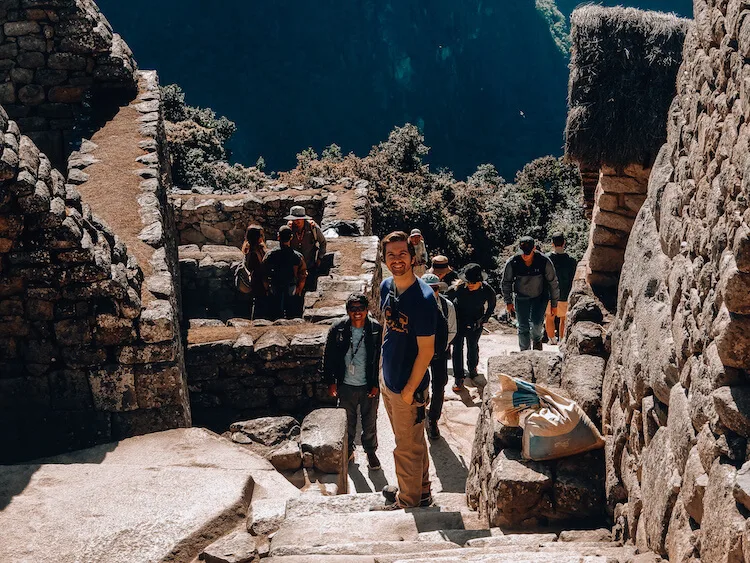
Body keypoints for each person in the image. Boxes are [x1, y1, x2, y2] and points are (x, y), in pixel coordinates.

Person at [376, 231, 436, 510]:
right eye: (391, 255)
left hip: (407, 385)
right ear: (384, 259)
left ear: (413, 258)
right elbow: (388, 327)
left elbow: (427, 351)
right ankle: (421, 490)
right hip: (389, 380)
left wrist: (410, 389)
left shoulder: (423, 299)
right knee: (413, 440)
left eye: (402, 254)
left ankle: (408, 502)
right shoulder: (386, 286)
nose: (397, 259)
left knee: (405, 446)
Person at [324, 293, 383, 470]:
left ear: (367, 310)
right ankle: (348, 450)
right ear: (348, 310)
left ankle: (370, 452)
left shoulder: (375, 329)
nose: (357, 312)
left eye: (361, 309)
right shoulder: (338, 328)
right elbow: (329, 357)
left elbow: (380, 358)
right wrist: (331, 382)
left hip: (367, 384)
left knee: (370, 421)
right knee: (347, 421)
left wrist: (376, 384)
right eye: (353, 309)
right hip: (346, 384)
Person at [502, 236, 560, 351]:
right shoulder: (513, 262)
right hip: (521, 298)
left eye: (528, 253)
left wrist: (554, 304)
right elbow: (506, 282)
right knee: (523, 327)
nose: (525, 255)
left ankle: (537, 341)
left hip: (539, 297)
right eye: (523, 252)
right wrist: (508, 301)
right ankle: (524, 353)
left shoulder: (544, 261)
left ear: (534, 249)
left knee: (537, 324)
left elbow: (553, 283)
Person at [421, 273, 456, 440]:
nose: (431, 292)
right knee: (419, 383)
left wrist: (439, 346)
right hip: (419, 351)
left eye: (434, 288)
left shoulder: (447, 306)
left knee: (440, 384)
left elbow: (452, 330)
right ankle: (420, 411)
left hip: (440, 352)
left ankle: (433, 419)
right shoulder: (415, 306)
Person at [451, 264, 496, 392]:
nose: (470, 285)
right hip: (459, 321)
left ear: (480, 281)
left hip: (476, 321)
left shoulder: (487, 290)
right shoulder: (458, 288)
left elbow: (492, 305)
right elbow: (447, 300)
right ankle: (458, 378)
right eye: (468, 282)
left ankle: (472, 369)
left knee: (472, 346)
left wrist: (484, 319)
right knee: (457, 348)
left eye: (473, 282)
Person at [262, 226, 307, 319]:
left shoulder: (270, 255)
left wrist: (266, 288)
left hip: (275, 286)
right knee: (291, 312)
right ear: (291, 237)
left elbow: (264, 273)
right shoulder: (297, 256)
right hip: (291, 286)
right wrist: (299, 289)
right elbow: (303, 274)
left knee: (275, 313)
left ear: (278, 237)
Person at [545, 233, 577, 344]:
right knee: (564, 318)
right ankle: (562, 340)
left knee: (549, 317)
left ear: (552, 244)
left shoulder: (546, 259)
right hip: (565, 294)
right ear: (564, 243)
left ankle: (552, 339)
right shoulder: (571, 261)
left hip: (550, 294)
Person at [286, 205, 327, 291]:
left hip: (309, 265)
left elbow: (322, 242)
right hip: (293, 268)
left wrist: (320, 258)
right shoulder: (288, 229)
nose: (296, 222)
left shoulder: (313, 228)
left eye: (298, 219)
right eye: (294, 220)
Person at [239, 224, 267, 319]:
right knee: (259, 303)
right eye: (261, 235)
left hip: (257, 281)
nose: (262, 237)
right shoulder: (253, 254)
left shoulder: (252, 249)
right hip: (258, 282)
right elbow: (258, 270)